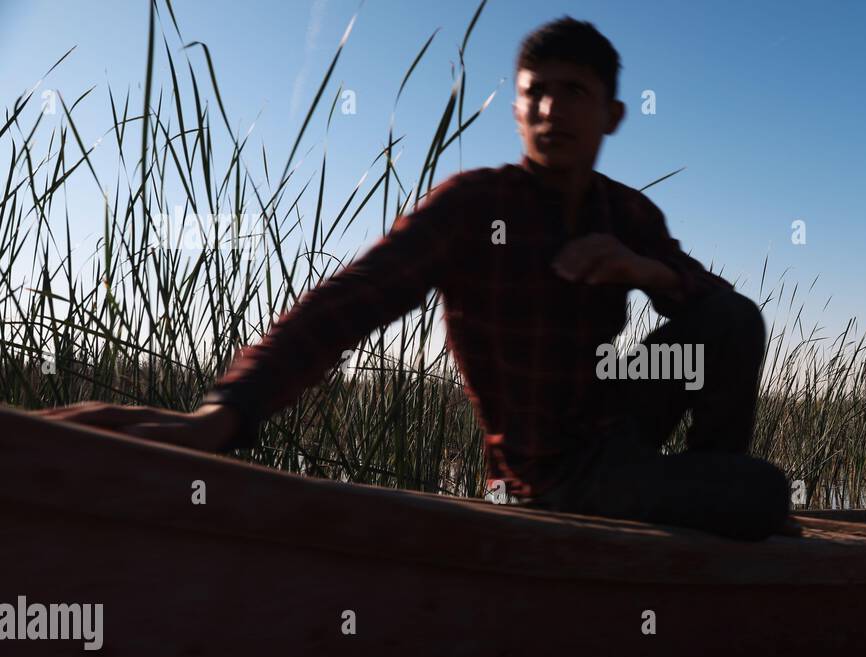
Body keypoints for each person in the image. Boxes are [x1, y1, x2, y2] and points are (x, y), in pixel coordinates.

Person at [34, 17, 793, 541]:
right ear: (519, 107)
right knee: (763, 493)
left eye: (574, 92)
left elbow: (716, 307)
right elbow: (346, 305)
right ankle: (712, 497)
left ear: (614, 115)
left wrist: (644, 269)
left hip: (615, 432)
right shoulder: (474, 205)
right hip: (547, 472)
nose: (550, 109)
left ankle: (701, 494)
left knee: (732, 320)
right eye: (535, 93)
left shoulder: (627, 212)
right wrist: (224, 416)